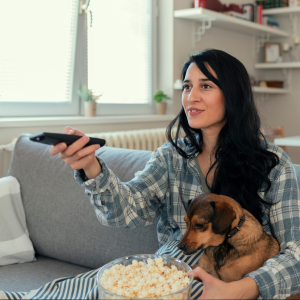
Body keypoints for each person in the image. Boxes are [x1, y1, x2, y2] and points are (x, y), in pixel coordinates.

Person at [6, 49, 299, 300]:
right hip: (166, 271)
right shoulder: (171, 157)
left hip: (232, 284)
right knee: (99, 285)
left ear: (233, 94)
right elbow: (124, 212)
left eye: (205, 86)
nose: (191, 97)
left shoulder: (272, 164)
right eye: (186, 86)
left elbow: (296, 255)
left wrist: (240, 290)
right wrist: (91, 167)